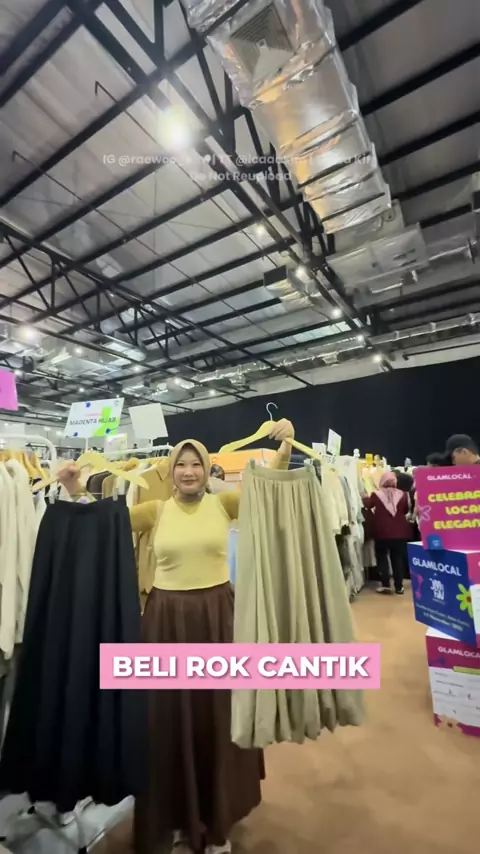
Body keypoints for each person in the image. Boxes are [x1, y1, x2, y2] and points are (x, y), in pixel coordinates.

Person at [57, 419, 294, 854]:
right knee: (164, 724)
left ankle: (214, 821)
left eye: (196, 464)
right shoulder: (156, 510)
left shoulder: (225, 504)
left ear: (206, 469)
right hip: (165, 624)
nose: (188, 471)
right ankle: (174, 819)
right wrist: (75, 491)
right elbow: (103, 524)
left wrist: (284, 448)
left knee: (217, 719)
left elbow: (271, 491)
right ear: (171, 470)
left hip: (218, 620)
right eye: (181, 464)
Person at [363, 471, 413, 595]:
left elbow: (369, 505)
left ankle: (385, 584)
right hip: (400, 532)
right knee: (397, 559)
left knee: (382, 557)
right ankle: (399, 587)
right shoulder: (403, 494)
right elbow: (406, 510)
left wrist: (363, 497)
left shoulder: (376, 494)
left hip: (382, 531)